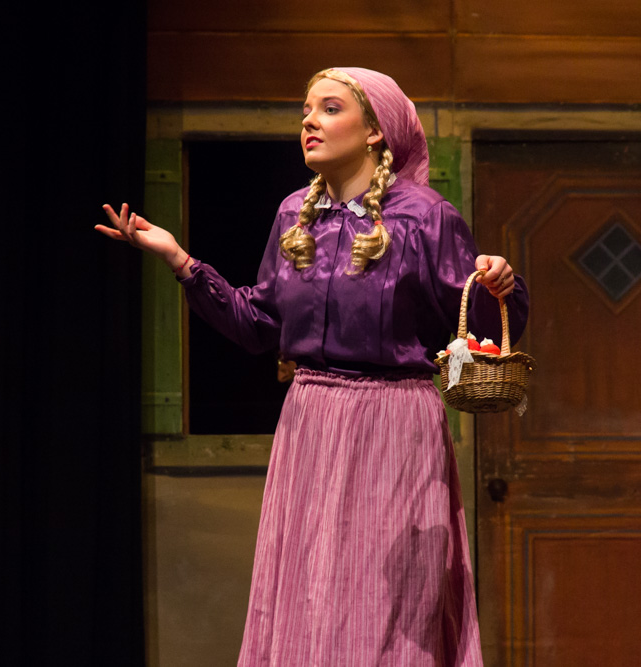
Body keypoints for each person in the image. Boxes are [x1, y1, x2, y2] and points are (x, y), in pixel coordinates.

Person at [97, 67, 528, 666]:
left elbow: (476, 326)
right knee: (308, 594)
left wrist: (499, 284)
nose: (309, 121)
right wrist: (181, 262)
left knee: (386, 605)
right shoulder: (294, 214)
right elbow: (259, 325)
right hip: (310, 419)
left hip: (390, 421)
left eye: (329, 109)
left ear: (376, 130)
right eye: (306, 110)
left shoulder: (425, 215)